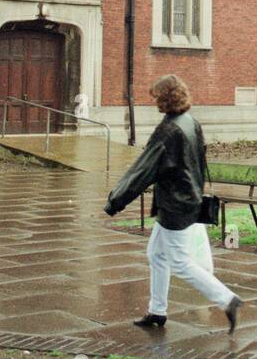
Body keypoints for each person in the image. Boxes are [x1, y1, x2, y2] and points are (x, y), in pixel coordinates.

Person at [104, 74, 243, 333]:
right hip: (188, 199)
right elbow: (200, 163)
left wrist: (115, 201)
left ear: (165, 99)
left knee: (180, 262)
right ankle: (157, 311)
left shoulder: (168, 131)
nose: (154, 102)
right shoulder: (190, 122)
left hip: (176, 205)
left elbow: (142, 170)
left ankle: (228, 300)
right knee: (156, 254)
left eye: (156, 97)